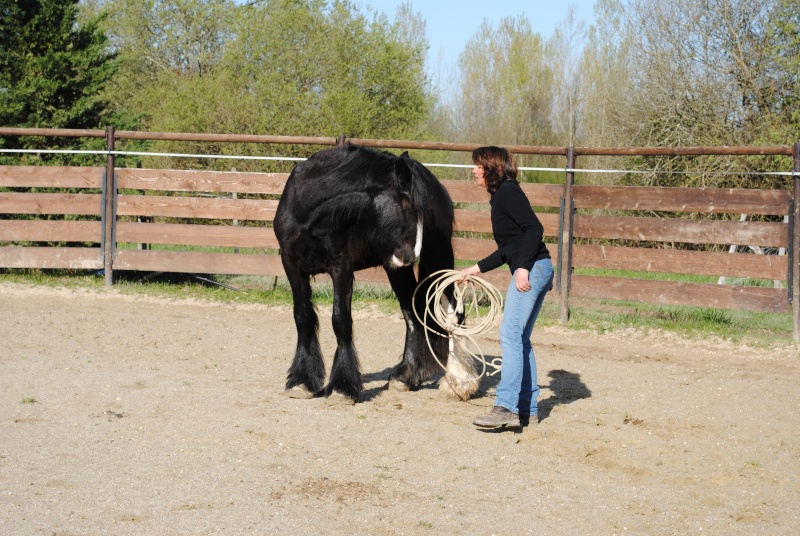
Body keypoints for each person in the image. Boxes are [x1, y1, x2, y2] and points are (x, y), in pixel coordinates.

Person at [460, 146, 553, 429]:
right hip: (539, 267)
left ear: (489, 168)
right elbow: (509, 248)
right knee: (520, 339)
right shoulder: (501, 196)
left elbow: (534, 228)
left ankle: (507, 407)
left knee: (510, 334)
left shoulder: (508, 193)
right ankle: (527, 409)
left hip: (533, 268)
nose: (473, 170)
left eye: (477, 165)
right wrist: (474, 269)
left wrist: (523, 266)